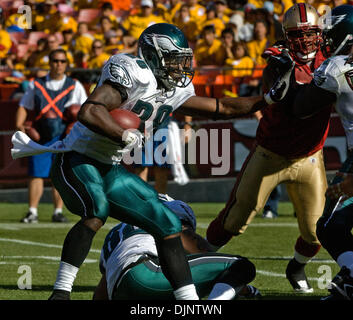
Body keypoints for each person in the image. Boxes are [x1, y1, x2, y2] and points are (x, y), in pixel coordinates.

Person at [11, 23, 285, 300]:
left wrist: (267, 99)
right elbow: (90, 110)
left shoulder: (174, 89)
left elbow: (222, 107)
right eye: (174, 59)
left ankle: (187, 301)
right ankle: (61, 292)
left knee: (167, 222)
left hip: (110, 167)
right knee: (97, 210)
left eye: (182, 59)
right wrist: (122, 133)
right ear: (153, 56)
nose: (180, 67)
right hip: (78, 159)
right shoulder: (133, 72)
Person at [206, 3, 332, 293]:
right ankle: (195, 259)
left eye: (310, 33)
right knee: (235, 219)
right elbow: (290, 99)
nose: (304, 40)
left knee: (316, 233)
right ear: (286, 36)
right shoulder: (278, 58)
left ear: (320, 33)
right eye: (296, 35)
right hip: (270, 154)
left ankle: (297, 267)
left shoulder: (332, 57)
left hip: (310, 157)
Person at [275, 5, 353, 300]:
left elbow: (300, 108)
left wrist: (289, 71)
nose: (325, 41)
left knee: (330, 226)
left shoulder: (337, 68)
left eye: (331, 34)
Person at [93, 194, 259, 300]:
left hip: (121, 290)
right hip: (147, 272)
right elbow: (204, 255)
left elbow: (102, 291)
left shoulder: (120, 233)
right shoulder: (168, 221)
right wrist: (238, 285)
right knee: (241, 266)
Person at [15, 49, 88, 223]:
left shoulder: (74, 85)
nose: (59, 64)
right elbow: (23, 106)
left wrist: (75, 126)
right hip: (41, 134)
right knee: (36, 174)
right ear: (50, 63)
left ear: (66, 65)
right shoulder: (36, 84)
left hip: (64, 136)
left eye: (62, 61)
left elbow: (85, 110)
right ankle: (32, 211)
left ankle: (58, 211)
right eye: (55, 61)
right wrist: (19, 125)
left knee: (59, 174)